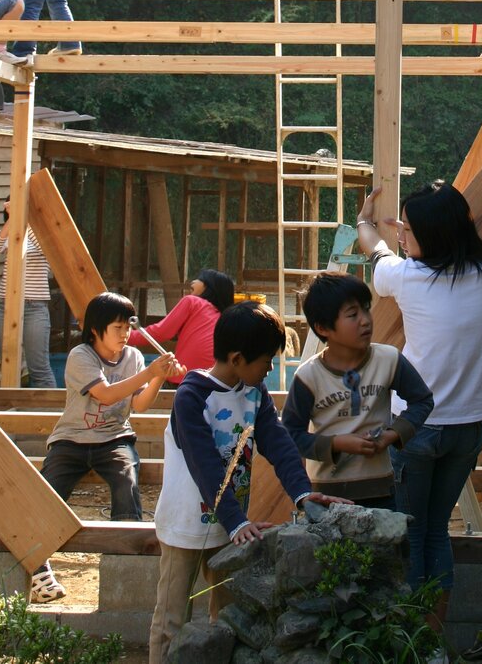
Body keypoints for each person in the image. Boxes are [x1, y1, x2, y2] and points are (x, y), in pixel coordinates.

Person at [149, 301, 346, 664]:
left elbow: (280, 445)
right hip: (186, 528)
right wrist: (237, 519)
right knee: (171, 619)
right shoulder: (192, 397)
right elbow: (204, 465)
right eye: (266, 360)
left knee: (228, 617)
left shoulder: (254, 396)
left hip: (229, 531)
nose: (270, 368)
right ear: (237, 358)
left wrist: (303, 494)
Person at [356, 181, 482, 632]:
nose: (402, 235)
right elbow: (412, 244)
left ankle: (412, 642)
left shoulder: (407, 278)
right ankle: (434, 642)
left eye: (409, 229)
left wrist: (365, 222)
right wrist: (413, 231)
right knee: (438, 530)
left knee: (411, 535)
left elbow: (375, 250)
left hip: (416, 428)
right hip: (470, 427)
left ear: (430, 235)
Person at [31, 292, 183, 603]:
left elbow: (138, 405)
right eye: (118, 328)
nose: (125, 334)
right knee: (47, 493)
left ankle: (127, 559)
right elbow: (106, 395)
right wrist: (151, 372)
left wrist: (158, 378)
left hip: (115, 438)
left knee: (126, 482)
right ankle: (37, 563)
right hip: (70, 440)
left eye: (128, 327)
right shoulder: (80, 356)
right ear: (97, 329)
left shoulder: (134, 358)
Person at [282, 272, 433, 506]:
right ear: (323, 328)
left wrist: (390, 437)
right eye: (353, 315)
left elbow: (422, 401)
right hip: (327, 494)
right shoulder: (309, 376)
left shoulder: (388, 359)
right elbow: (291, 436)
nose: (365, 320)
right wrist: (337, 444)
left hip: (380, 489)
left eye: (366, 309)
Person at [127, 268, 235, 386]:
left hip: (184, 378)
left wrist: (125, 336)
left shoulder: (193, 302)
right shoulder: (225, 317)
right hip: (218, 382)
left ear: (209, 287)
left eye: (200, 279)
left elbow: (161, 332)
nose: (193, 281)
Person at [0, 196, 56, 389]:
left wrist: (24, 218)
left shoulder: (45, 234)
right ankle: (10, 415)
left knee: (39, 368)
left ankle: (52, 416)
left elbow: (46, 250)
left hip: (35, 307)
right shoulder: (12, 229)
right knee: (9, 367)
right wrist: (13, 218)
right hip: (4, 304)